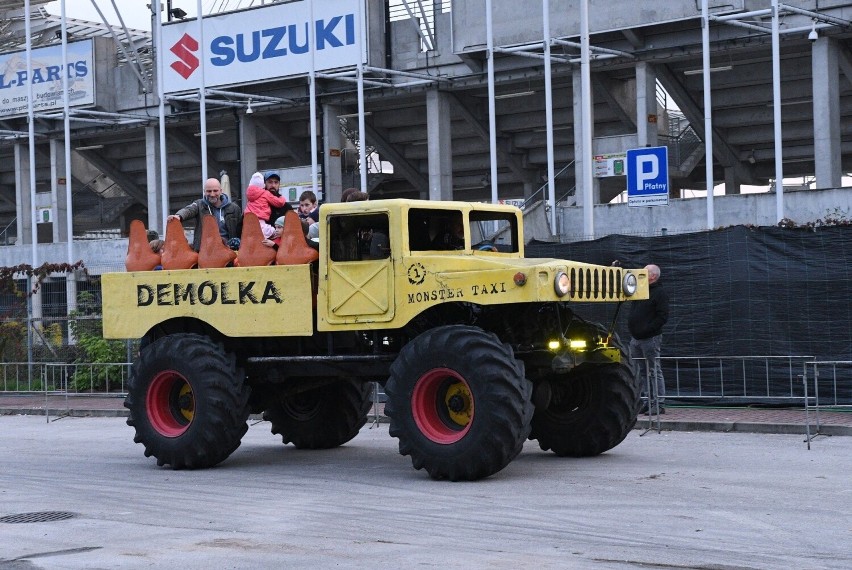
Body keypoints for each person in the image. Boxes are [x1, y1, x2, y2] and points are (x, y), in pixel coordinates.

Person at [628, 264, 670, 415]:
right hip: (636, 338)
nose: (641, 274)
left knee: (653, 370)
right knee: (643, 371)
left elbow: (662, 316)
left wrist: (648, 330)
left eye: (645, 272)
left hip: (650, 338)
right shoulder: (641, 290)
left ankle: (659, 403)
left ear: (652, 276)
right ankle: (647, 401)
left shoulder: (659, 293)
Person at [168, 178, 242, 252]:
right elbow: (188, 210)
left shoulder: (234, 208)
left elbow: (240, 230)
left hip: (228, 251)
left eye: (215, 191)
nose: (212, 194)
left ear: (221, 191)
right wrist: (178, 216)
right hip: (204, 252)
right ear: (204, 192)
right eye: (209, 191)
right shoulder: (199, 205)